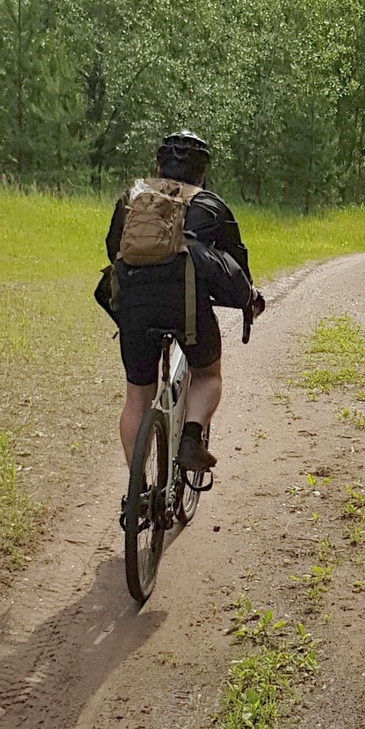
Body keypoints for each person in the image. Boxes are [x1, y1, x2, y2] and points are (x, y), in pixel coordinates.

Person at [104, 130, 262, 477]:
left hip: (133, 302)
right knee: (207, 375)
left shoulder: (132, 199)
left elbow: (113, 250)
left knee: (136, 398)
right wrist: (248, 299)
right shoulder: (211, 204)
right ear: (202, 172)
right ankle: (191, 437)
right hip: (186, 306)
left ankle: (138, 490)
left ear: (158, 166)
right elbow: (237, 265)